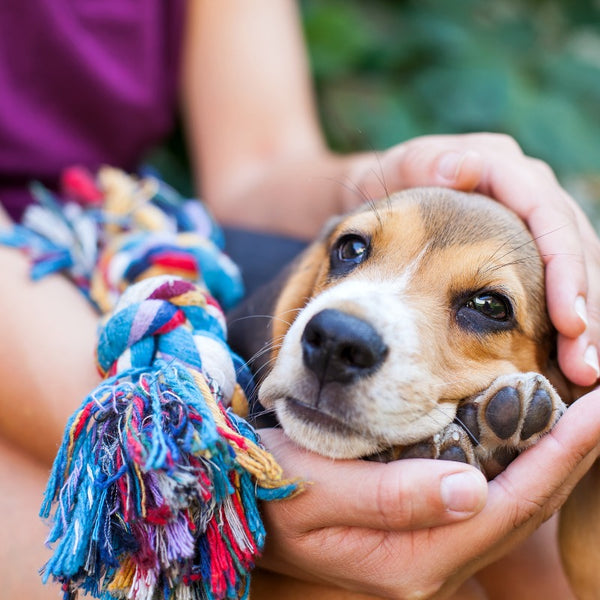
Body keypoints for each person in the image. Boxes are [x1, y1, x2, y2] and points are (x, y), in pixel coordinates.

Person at [0, 1, 598, 598]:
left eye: (486, 307)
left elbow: (257, 166)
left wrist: (377, 173)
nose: (342, 331)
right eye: (355, 251)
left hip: (118, 260)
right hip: (70, 287)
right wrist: (203, 459)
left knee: (533, 563)